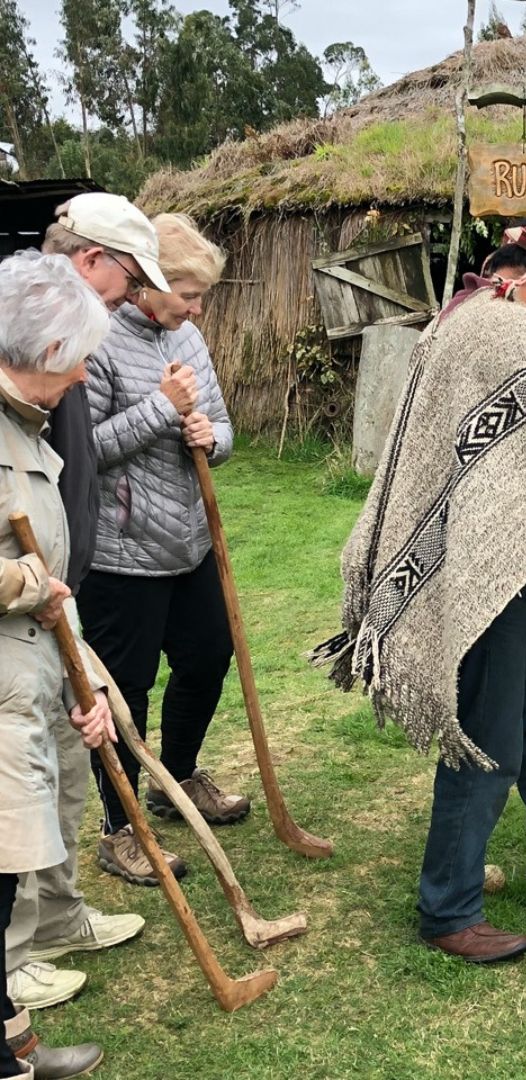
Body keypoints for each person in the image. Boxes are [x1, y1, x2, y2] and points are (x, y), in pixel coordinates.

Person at [315, 216, 526, 963]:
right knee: (488, 737)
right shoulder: (519, 337)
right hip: (486, 572)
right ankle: (449, 907)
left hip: (498, 560)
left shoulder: (456, 320)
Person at [6, 193, 162, 1013]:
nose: (79, 383)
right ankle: (14, 953)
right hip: (20, 629)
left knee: (67, 770)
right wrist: (36, 583)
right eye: (125, 280)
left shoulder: (43, 391)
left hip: (56, 611)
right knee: (18, 794)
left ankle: (60, 917)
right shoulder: (26, 383)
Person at [78, 213, 248, 888]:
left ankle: (175, 778)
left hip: (189, 540)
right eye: (187, 291)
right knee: (123, 695)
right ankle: (120, 831)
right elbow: (79, 452)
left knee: (209, 655)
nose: (197, 307)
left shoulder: (190, 336)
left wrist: (211, 435)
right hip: (120, 552)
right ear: (147, 282)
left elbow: (223, 428)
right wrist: (159, 408)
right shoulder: (95, 339)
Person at [0, 253, 115, 1078]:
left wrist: (83, 681)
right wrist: (26, 582)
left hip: (25, 677)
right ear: (44, 351)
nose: (82, 377)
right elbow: (26, 576)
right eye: (76, 359)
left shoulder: (24, 426)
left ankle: (9, 1048)